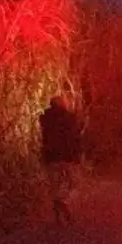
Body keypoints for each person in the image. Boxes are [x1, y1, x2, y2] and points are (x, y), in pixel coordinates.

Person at [39, 95, 81, 226]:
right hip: (66, 155)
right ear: (63, 104)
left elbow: (45, 136)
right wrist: (77, 155)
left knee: (54, 185)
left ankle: (58, 217)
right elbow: (74, 138)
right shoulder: (69, 118)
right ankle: (64, 200)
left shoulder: (44, 118)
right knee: (74, 182)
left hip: (50, 156)